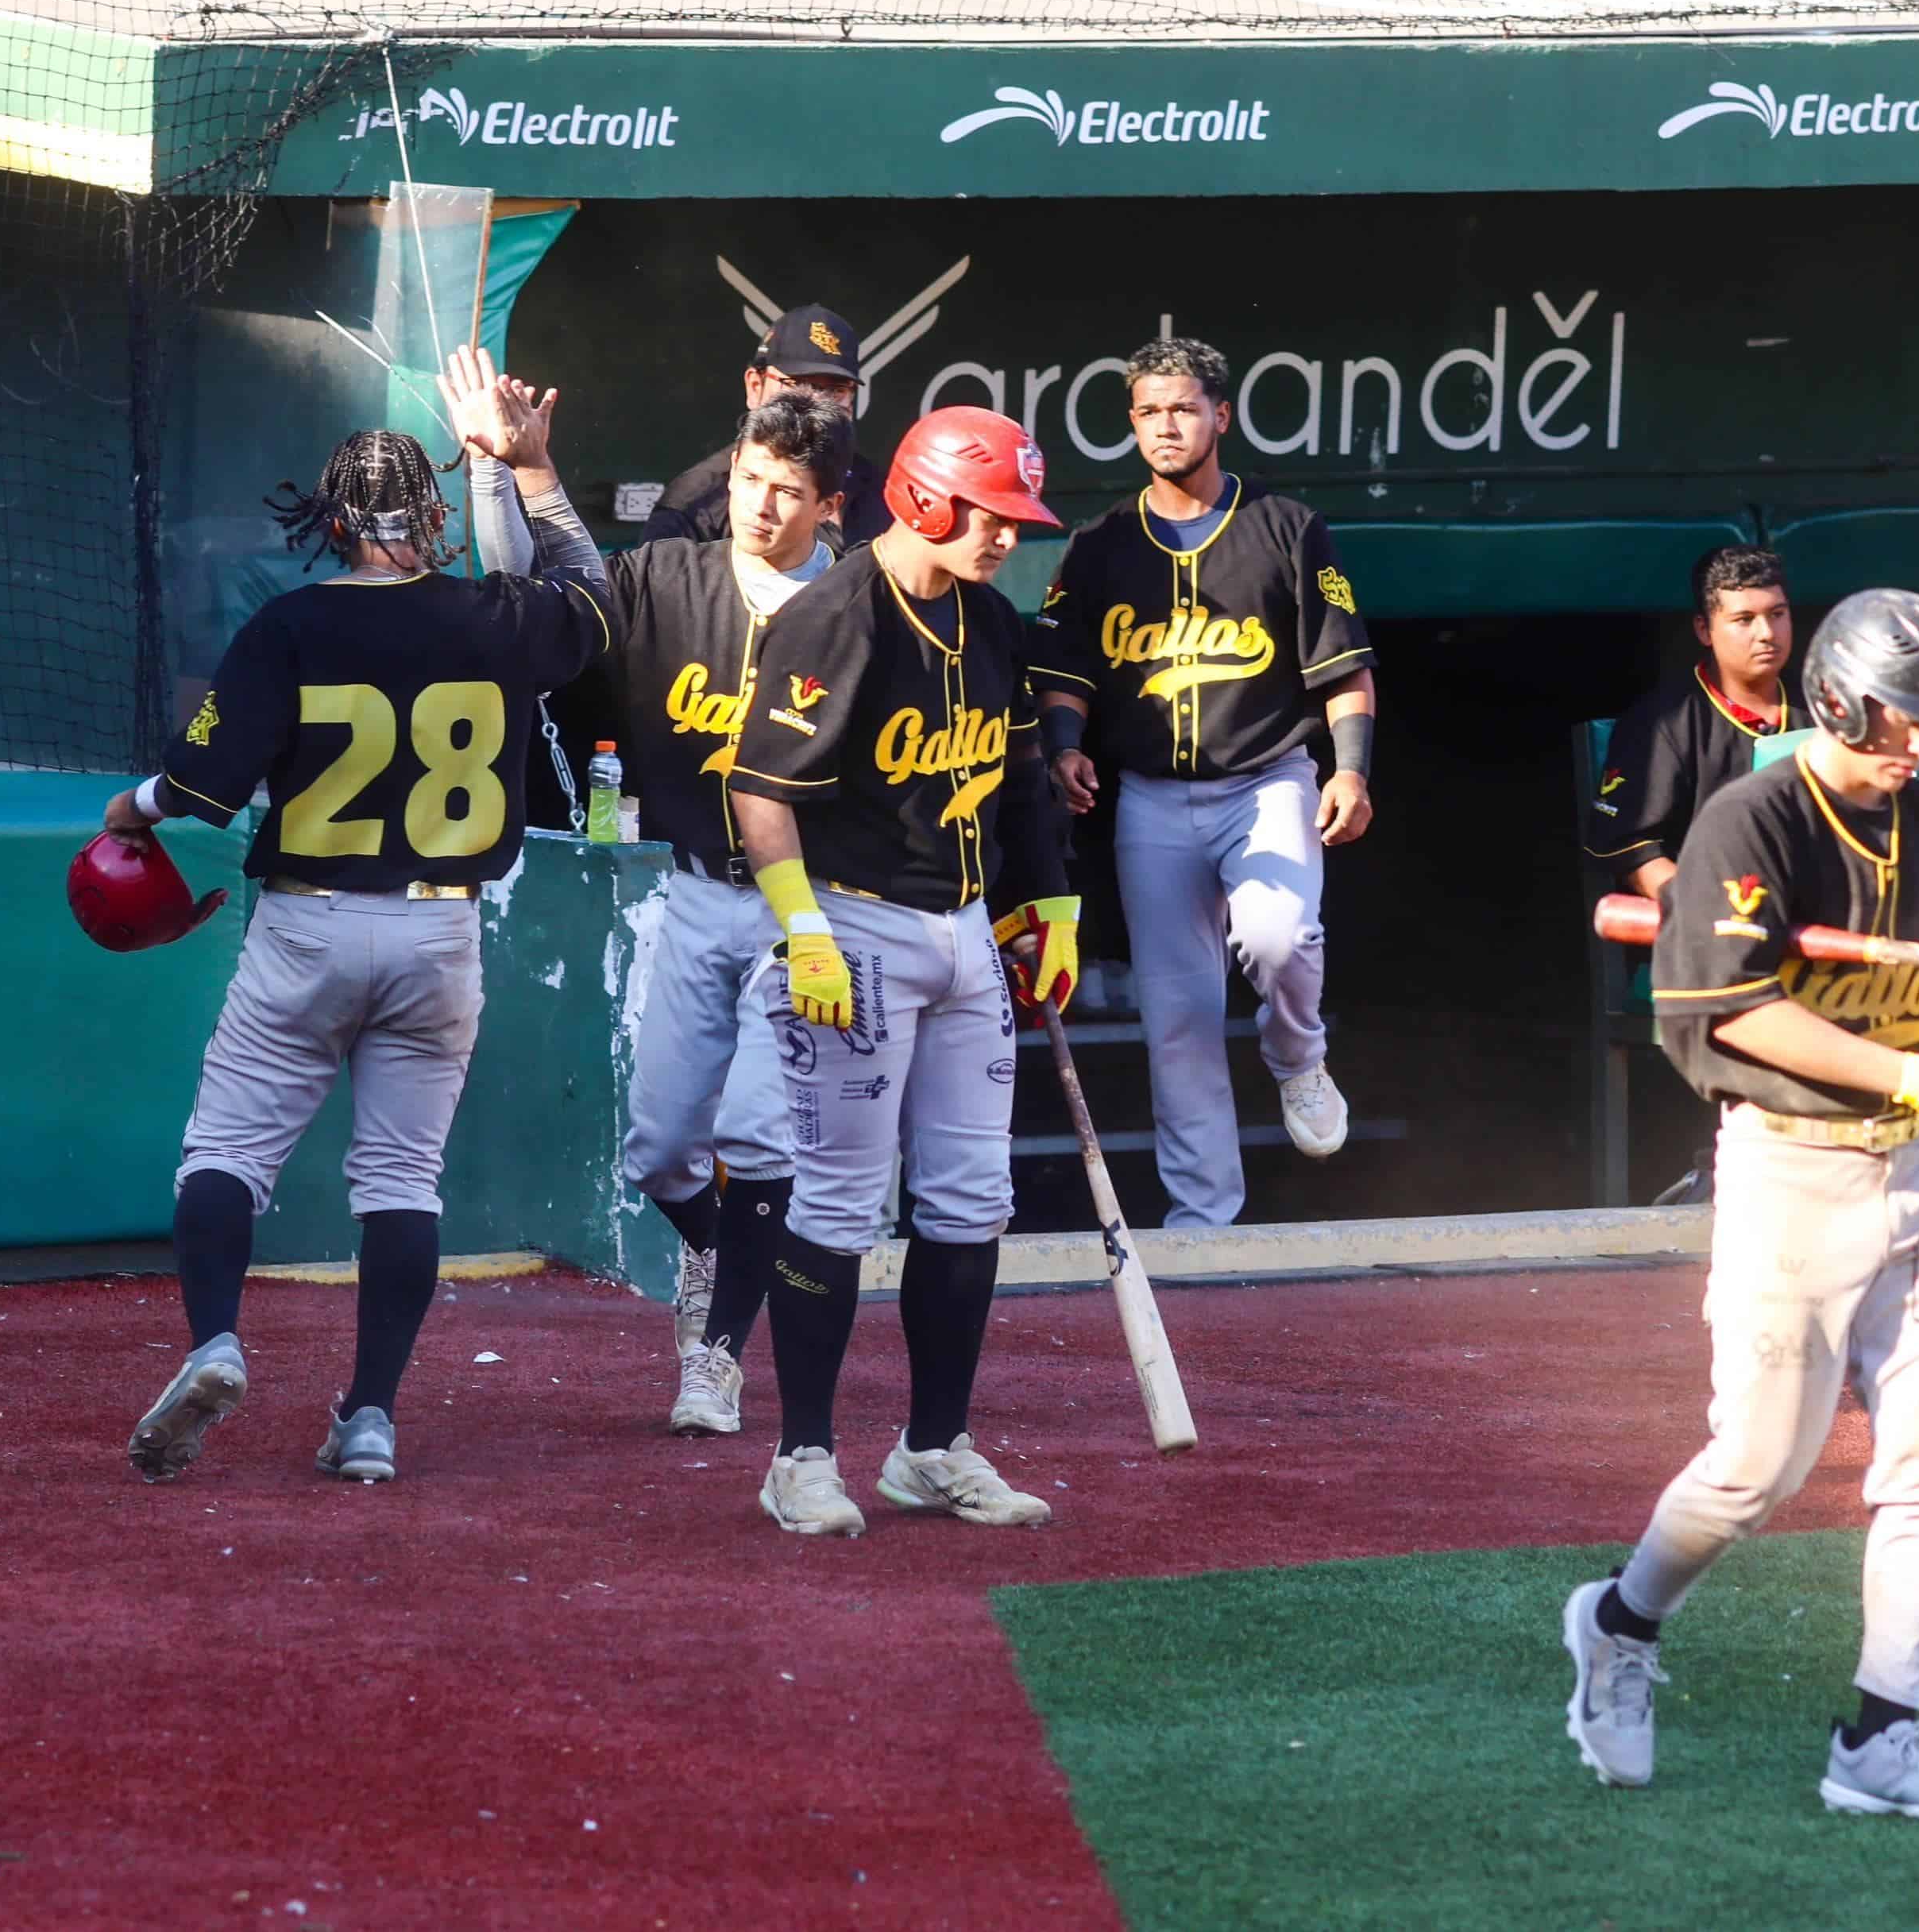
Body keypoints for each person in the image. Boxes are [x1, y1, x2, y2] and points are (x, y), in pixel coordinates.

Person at [1564, 589, 1919, 1823]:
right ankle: (1620, 1625)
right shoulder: (1751, 818)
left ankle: (1879, 1737)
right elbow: (1733, 1010)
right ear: (1839, 696)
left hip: (1918, 1175)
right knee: (1757, 1468)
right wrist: (1916, 1069)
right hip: (1789, 1169)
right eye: (1909, 719)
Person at [116, 423, 611, 1487]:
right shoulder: (499, 615)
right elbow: (590, 593)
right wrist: (518, 467)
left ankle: (215, 1344)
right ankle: (372, 1416)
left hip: (310, 920)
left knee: (227, 1154)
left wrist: (130, 809)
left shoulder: (292, 621)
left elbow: (197, 789)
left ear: (332, 522)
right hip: (441, 927)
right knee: (401, 1181)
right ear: (436, 516)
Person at [454, 343, 845, 1437]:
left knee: (762, 1135)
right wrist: (513, 468)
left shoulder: (856, 601)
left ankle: (713, 1353)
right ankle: (726, 1256)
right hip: (695, 889)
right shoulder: (672, 575)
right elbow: (550, 580)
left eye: (789, 491)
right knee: (662, 1150)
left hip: (807, 907)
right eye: (752, 481)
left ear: (830, 503)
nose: (763, 506)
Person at [723, 405, 1075, 1538]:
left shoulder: (991, 620)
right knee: (835, 1197)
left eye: (1017, 518)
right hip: (855, 928)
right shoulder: (835, 618)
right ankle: (802, 1457)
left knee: (975, 1200)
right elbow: (760, 790)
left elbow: (1020, 777)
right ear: (922, 498)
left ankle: (932, 1447)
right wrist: (801, 928)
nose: (1004, 536)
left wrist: (1050, 899)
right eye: (988, 513)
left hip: (965, 931)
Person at [1026, 334, 1377, 1231]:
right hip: (1150, 794)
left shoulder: (1284, 525)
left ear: (1220, 415)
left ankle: (1298, 1054)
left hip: (1266, 779)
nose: (1166, 425)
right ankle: (1202, 1214)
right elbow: (1061, 666)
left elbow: (1342, 666)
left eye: (1183, 407)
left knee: (1280, 934)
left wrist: (1350, 769)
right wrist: (1064, 743)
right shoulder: (1102, 542)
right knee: (1176, 1014)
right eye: (1148, 410)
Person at [1588, 545, 1797, 900]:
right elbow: (1631, 849)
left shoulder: (1828, 709)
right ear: (1704, 630)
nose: (1766, 633)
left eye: (1777, 614)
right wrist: (1709, 908)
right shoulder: (1661, 723)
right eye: (1744, 620)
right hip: (1714, 928)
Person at [641, 306, 893, 551]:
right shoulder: (694, 502)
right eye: (797, 384)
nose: (817, 402)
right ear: (754, 386)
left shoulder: (882, 491)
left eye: (837, 390)